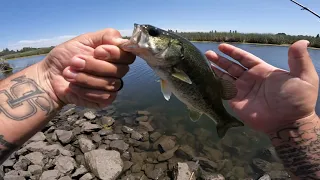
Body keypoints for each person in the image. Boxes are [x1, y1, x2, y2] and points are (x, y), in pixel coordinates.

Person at [0, 28, 318, 179]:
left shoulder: (174, 62)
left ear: (173, 49)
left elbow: (178, 81)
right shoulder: (166, 63)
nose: (143, 34)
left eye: (152, 34)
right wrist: (295, 124)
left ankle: (222, 119)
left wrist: (297, 120)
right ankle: (223, 120)